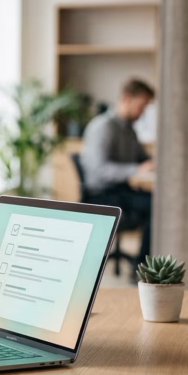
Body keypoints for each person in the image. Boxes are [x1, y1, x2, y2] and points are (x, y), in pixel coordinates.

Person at [79, 78, 155, 266]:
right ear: (127, 99)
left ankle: (144, 264)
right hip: (101, 195)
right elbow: (99, 170)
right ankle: (142, 268)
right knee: (155, 206)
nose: (142, 113)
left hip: (121, 191)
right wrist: (136, 169)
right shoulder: (103, 127)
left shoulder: (130, 131)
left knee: (158, 202)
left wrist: (151, 163)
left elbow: (141, 158)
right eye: (141, 106)